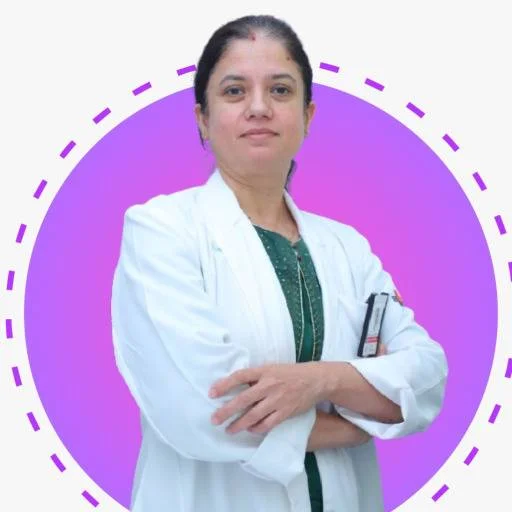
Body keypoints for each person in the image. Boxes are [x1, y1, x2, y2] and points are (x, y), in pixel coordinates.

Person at [111, 14, 448, 512]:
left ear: (307, 116)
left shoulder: (348, 247)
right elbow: (206, 412)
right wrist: (359, 422)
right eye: (234, 91)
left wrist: (320, 380)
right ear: (202, 118)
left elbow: (426, 377)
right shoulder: (161, 231)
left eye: (281, 90)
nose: (259, 107)